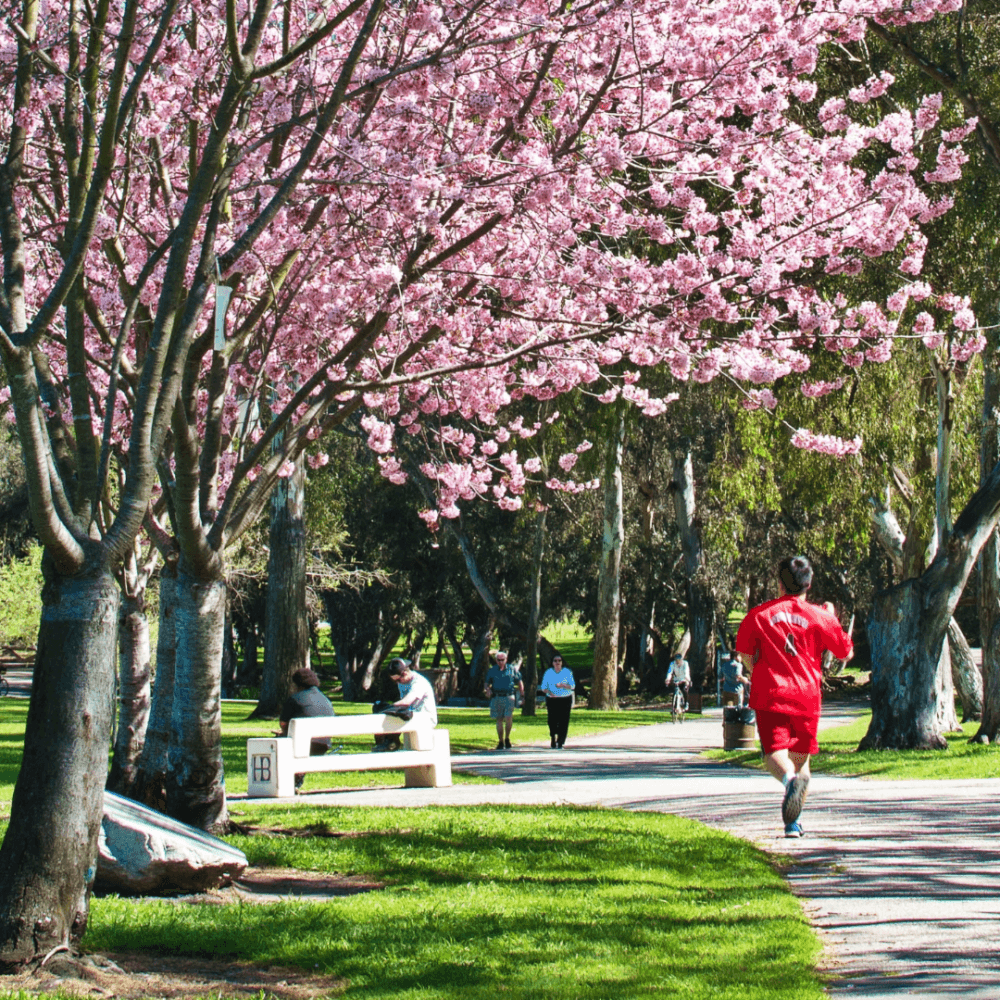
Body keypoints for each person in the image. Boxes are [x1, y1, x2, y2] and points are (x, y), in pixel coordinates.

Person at [735, 555, 853, 839]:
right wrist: (833, 618)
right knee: (802, 762)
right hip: (807, 697)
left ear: (779, 583)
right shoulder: (820, 616)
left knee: (774, 754)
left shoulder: (758, 615)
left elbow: (746, 654)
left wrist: (758, 672)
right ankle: (793, 823)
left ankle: (789, 783)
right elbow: (846, 653)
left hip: (771, 694)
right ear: (808, 583)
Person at [277, 667, 335, 791]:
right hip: (323, 745)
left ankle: (288, 782)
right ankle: (296, 780)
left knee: (278, 743)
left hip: (304, 745)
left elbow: (283, 724)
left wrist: (284, 733)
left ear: (297, 684)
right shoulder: (326, 700)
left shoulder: (295, 699)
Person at [374, 658, 438, 751]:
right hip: (411, 715)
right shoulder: (402, 682)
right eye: (395, 681)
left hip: (425, 718)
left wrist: (389, 708)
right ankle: (385, 742)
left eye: (398, 680)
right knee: (378, 706)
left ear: (405, 673)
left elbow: (407, 701)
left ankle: (390, 742)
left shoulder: (418, 682)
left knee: (392, 712)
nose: (397, 683)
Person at [484, 650, 523, 750]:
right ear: (496, 660)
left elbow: (519, 681)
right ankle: (500, 741)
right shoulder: (492, 670)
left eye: (502, 660)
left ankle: (507, 738)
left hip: (509, 696)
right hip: (496, 696)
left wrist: (522, 695)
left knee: (508, 716)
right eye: (498, 660)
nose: (500, 662)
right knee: (499, 719)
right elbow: (486, 683)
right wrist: (487, 690)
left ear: (506, 660)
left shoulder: (511, 669)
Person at [539, 654, 575, 749]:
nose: (557, 663)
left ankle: (560, 741)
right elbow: (543, 688)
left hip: (565, 698)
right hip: (552, 699)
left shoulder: (567, 672)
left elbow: (572, 686)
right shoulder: (548, 673)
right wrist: (550, 693)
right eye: (555, 661)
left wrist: (563, 685)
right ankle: (553, 737)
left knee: (564, 720)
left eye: (559, 661)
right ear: (552, 662)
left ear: (562, 662)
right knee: (552, 720)